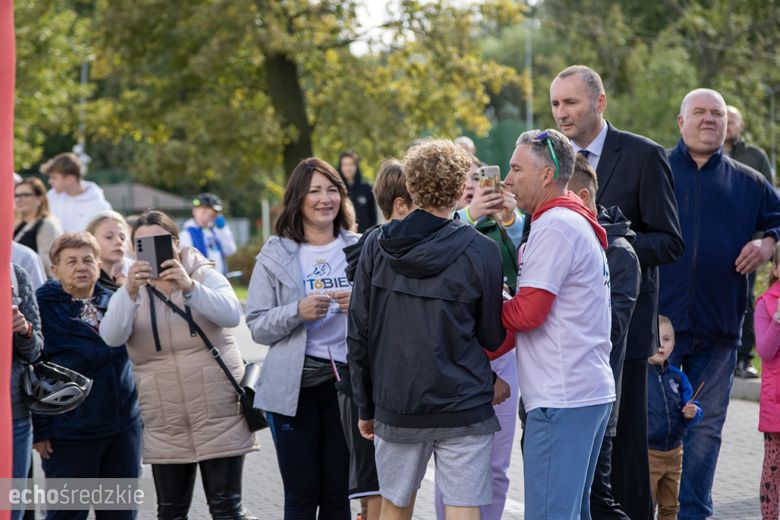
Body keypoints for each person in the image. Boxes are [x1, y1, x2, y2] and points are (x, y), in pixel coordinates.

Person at [550, 64, 684, 520]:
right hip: (565, 331)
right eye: (555, 104)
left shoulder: (645, 155)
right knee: (580, 453)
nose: (562, 113)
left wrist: (604, 238)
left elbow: (670, 241)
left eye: (571, 102)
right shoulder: (551, 157)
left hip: (623, 329)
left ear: (600, 102)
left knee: (623, 450)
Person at [348, 140, 505, 520]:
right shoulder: (482, 250)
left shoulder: (374, 245)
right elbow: (491, 336)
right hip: (463, 400)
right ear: (458, 190)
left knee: (394, 507)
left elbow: (359, 333)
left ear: (411, 187)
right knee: (463, 508)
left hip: (397, 400)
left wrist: (365, 405)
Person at [659, 88, 780, 519]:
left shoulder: (750, 183)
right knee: (656, 429)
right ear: (681, 121)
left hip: (720, 329)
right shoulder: (655, 172)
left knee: (705, 432)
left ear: (727, 126)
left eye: (716, 114)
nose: (709, 119)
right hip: (659, 332)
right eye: (699, 113)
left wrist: (768, 243)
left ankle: (694, 514)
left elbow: (777, 219)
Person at [100, 210, 257, 520]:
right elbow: (112, 336)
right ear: (133, 249)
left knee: (227, 508)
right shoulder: (131, 291)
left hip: (219, 413)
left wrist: (189, 287)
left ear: (176, 243)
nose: (153, 250)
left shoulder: (203, 275)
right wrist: (129, 291)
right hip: (165, 419)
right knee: (170, 512)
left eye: (161, 241)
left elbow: (231, 315)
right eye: (142, 244)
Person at [502, 129, 614, 519]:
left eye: (516, 169)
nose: (507, 179)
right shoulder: (571, 220)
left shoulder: (555, 226)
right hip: (582, 391)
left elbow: (528, 314)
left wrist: (480, 316)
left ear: (546, 174)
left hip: (563, 397)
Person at [246, 157, 357, 519]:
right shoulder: (275, 253)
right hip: (293, 390)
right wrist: (297, 311)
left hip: (348, 389)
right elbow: (258, 325)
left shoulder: (361, 247)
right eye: (314, 191)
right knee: (301, 494)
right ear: (298, 199)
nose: (325, 199)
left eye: (332, 190)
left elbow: (386, 316)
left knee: (339, 494)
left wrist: (361, 304)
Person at [433, 153, 521, 520]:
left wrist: (510, 219)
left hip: (502, 351)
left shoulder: (505, 225)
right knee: (453, 466)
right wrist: (471, 217)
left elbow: (527, 266)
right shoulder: (443, 227)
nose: (473, 186)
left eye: (479, 178)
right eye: (465, 180)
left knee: (497, 466)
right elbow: (439, 252)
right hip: (455, 356)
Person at [33, 232, 141, 520]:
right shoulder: (43, 307)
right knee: (67, 514)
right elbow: (32, 369)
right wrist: (40, 430)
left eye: (88, 260)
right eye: (71, 261)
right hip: (69, 434)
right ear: (55, 269)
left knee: (121, 514)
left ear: (98, 265)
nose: (81, 267)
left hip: (122, 430)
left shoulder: (115, 299)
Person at [338, 159, 416, 520]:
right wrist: (364, 402)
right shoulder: (375, 249)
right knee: (379, 493)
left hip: (382, 393)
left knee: (392, 492)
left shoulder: (372, 246)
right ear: (400, 204)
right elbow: (360, 335)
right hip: (379, 395)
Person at [568, 155, 642, 519]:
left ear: (581, 198)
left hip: (594, 399)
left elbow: (608, 331)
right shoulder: (560, 236)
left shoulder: (620, 254)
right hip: (557, 397)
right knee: (575, 501)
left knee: (598, 500)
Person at [726, 105, 774, 379]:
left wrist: (765, 241)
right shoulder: (706, 153)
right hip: (715, 242)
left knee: (746, 299)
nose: (728, 126)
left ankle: (743, 359)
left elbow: (770, 200)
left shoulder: (754, 156)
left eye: (733, 121)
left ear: (741, 126)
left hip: (748, 245)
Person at [647, 315, 703, 520]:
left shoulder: (678, 377)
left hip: (674, 452)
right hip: (648, 453)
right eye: (656, 338)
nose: (661, 344)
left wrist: (692, 412)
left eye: (667, 339)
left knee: (671, 506)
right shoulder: (638, 376)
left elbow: (691, 406)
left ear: (674, 344)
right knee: (645, 503)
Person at [10, 263, 44, 520]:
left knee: (11, 510)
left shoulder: (15, 274)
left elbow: (35, 350)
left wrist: (24, 328)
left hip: (14, 418)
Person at [755, 244, 780, 519]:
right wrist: (778, 321)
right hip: (777, 404)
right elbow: (765, 351)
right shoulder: (766, 303)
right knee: (773, 470)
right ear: (775, 269)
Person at [41, 152, 112, 233]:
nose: (50, 181)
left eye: (54, 178)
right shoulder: (51, 197)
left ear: (69, 180)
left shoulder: (100, 206)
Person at [14, 177, 62, 276]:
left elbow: (48, 264)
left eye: (25, 195)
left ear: (39, 198)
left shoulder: (46, 224)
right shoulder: (19, 224)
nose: (19, 199)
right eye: (16, 195)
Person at [180, 193, 237, 276]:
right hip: (200, 281)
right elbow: (187, 262)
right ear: (194, 211)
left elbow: (230, 250)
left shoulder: (215, 232)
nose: (208, 215)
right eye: (203, 211)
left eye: (212, 213)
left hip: (219, 281)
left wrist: (222, 228)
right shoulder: (186, 234)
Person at [86, 212, 132, 291]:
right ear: (91, 240)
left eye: (122, 237)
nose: (119, 242)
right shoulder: (86, 283)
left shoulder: (123, 282)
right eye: (109, 237)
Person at [337, 151, 377, 232]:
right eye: (345, 165)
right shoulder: (336, 189)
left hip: (364, 238)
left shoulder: (367, 189)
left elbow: (373, 217)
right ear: (340, 167)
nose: (348, 168)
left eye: (351, 164)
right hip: (344, 237)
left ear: (356, 166)